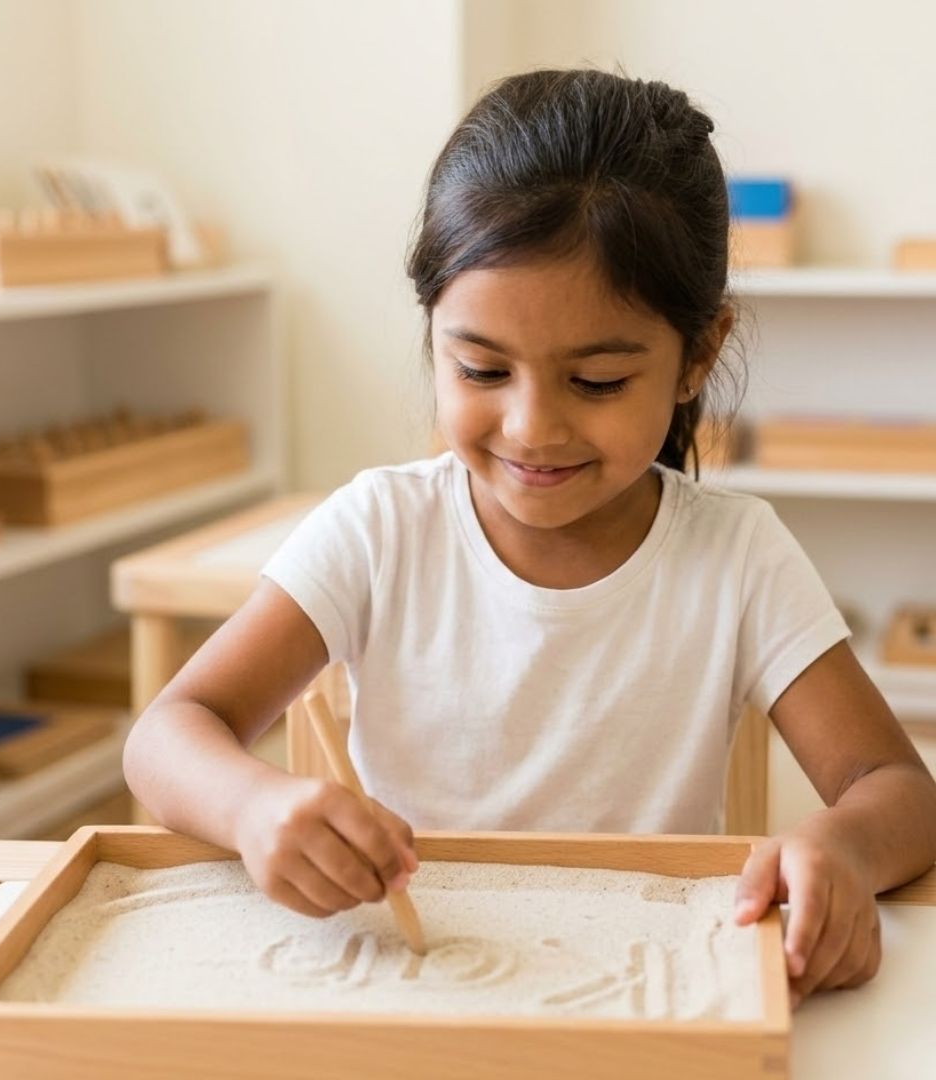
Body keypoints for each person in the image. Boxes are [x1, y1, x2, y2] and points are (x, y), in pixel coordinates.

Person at [123, 68, 936, 1009]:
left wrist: (840, 846)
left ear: (697, 357)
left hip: (643, 995)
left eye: (596, 383)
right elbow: (167, 734)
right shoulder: (381, 529)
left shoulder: (737, 555)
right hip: (413, 986)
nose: (532, 428)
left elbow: (899, 788)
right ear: (434, 333)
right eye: (481, 369)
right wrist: (254, 805)